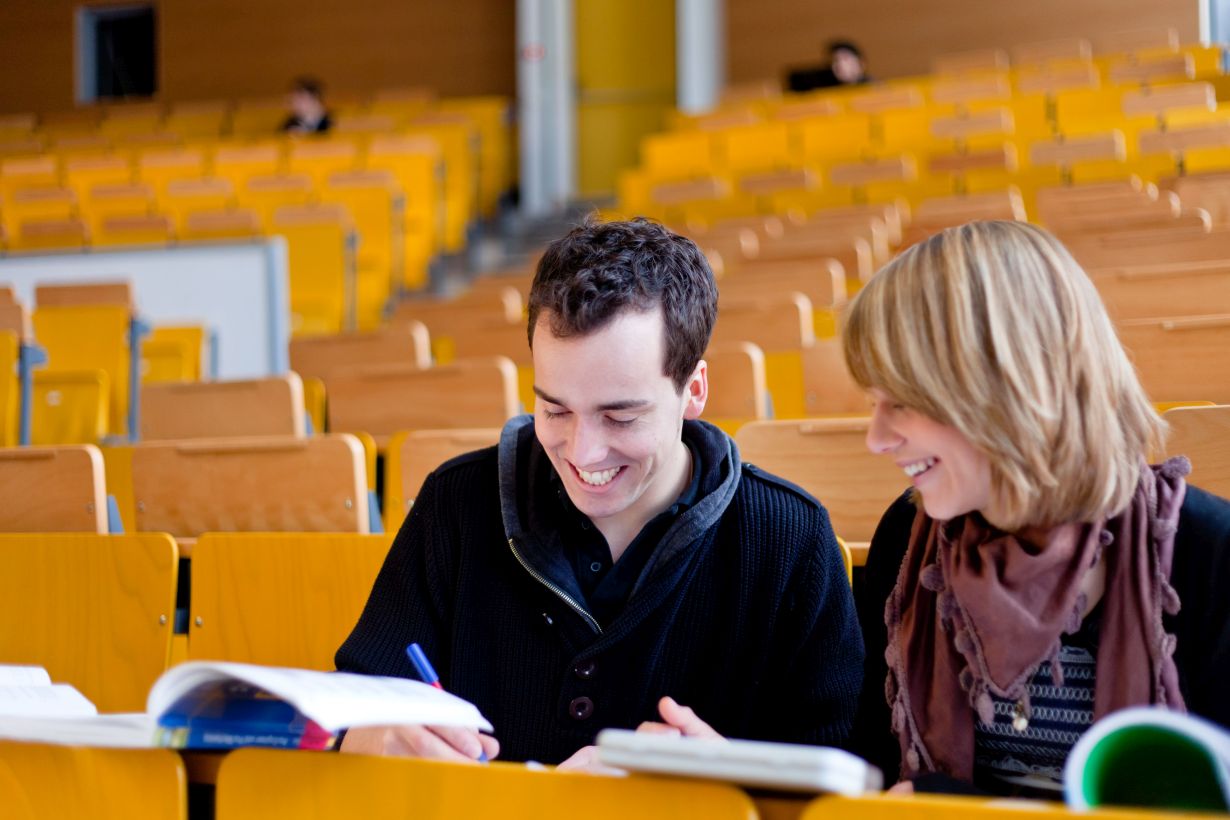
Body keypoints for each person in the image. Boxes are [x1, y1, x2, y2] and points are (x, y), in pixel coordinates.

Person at [636, 220, 1230, 796]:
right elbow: (866, 773)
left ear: (1007, 390)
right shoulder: (908, 537)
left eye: (902, 404)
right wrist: (736, 766)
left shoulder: (1207, 554)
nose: (876, 438)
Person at [334, 218, 864, 765]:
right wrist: (370, 737)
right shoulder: (454, 505)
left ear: (694, 391)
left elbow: (843, 785)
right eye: (554, 408)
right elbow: (348, 712)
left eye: (621, 416)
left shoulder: (792, 542)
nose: (583, 453)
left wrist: (732, 782)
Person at [786, 39, 871, 93]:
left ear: (861, 63)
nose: (840, 65)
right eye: (835, 61)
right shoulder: (829, 91)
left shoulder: (872, 89)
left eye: (845, 59)